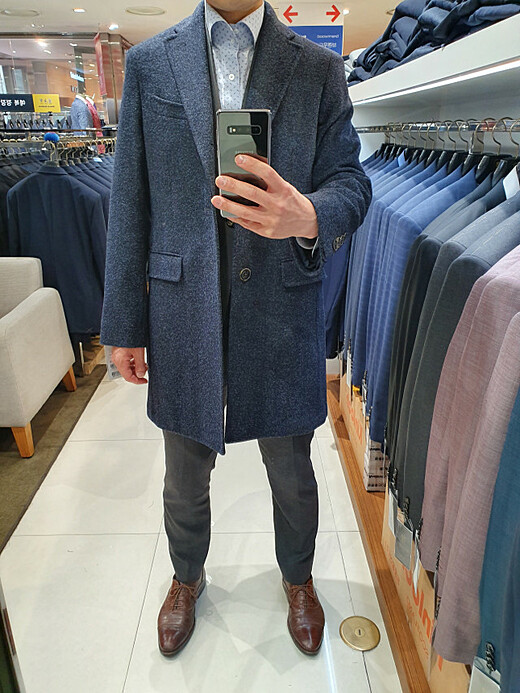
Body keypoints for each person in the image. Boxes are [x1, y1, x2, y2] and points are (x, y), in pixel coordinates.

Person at [100, 0, 371, 658]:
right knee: (183, 473)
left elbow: (351, 181)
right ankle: (186, 577)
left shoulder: (317, 67)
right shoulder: (150, 64)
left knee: (292, 471)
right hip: (181, 307)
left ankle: (299, 579)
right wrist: (123, 322)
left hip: (280, 305)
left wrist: (309, 214)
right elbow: (130, 198)